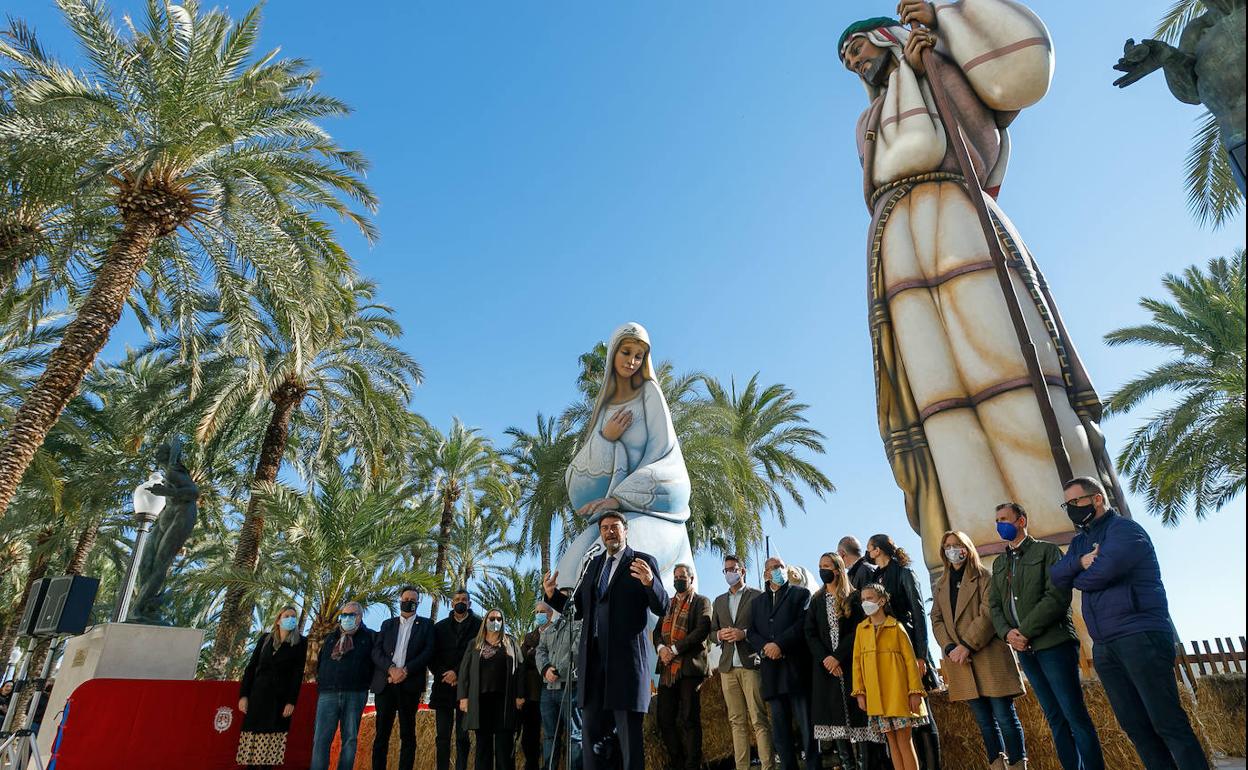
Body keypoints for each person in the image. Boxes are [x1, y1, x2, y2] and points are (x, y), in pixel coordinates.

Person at [838, 0, 1127, 568]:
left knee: (1009, 369)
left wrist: (939, 47)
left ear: (885, 36)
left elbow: (1005, 92)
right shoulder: (867, 123)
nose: (853, 61)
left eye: (856, 47)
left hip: (957, 211)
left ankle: (1065, 533)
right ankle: (980, 561)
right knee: (937, 393)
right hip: (897, 236)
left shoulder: (936, 66)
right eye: (845, 57)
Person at [1051, 477, 1208, 770]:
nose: (1070, 509)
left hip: (1139, 635)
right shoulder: (1080, 542)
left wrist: (1079, 576)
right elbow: (1057, 576)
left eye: (1075, 502)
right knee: (1135, 726)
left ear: (1096, 499)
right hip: (1105, 645)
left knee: (1166, 722)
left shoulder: (1125, 530)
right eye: (1067, 504)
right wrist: (1079, 564)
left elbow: (1103, 573)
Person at [554, 322, 693, 592]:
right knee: (569, 571)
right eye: (626, 352)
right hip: (609, 517)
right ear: (613, 354)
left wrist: (620, 497)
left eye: (638, 355)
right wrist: (605, 437)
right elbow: (579, 478)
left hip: (650, 513)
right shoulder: (605, 407)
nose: (632, 361)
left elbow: (666, 458)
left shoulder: (649, 395)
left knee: (616, 566)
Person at [542, 511, 668, 770]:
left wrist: (650, 582)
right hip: (594, 665)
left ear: (626, 530)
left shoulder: (642, 562)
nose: (609, 531)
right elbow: (577, 609)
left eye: (615, 527)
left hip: (625, 667)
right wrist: (552, 596)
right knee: (592, 740)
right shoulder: (593, 565)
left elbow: (662, 606)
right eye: (604, 528)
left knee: (628, 744)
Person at [989, 503, 1104, 770]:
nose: (999, 525)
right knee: (1054, 717)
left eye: (1004, 519)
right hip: (1024, 651)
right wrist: (1008, 634)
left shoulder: (1047, 551)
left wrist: (1026, 631)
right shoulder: (999, 563)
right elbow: (994, 605)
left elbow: (1057, 595)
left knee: (1074, 715)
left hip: (1054, 644)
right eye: (996, 520)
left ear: (1021, 520)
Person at [931, 532, 1026, 770]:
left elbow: (989, 613)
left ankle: (1017, 764)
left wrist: (967, 645)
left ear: (967, 547)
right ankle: (997, 764)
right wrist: (950, 647)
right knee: (984, 721)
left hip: (986, 654)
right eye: (948, 546)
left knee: (1004, 717)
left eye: (957, 545)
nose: (952, 550)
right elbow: (936, 619)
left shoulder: (984, 576)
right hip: (959, 660)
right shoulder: (941, 584)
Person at [866, 534, 940, 768]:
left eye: (870, 548)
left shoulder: (905, 573)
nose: (869, 553)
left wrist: (920, 654)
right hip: (886, 657)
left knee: (922, 717)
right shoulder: (875, 577)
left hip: (908, 646)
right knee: (900, 724)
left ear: (878, 549)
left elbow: (918, 614)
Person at [805, 552, 883, 770]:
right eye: (820, 566)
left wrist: (838, 656)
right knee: (836, 724)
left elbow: (859, 629)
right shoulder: (817, 601)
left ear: (837, 570)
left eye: (826, 566)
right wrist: (826, 659)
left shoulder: (854, 598)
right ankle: (847, 765)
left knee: (860, 719)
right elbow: (809, 633)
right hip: (827, 671)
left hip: (851, 666)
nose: (822, 570)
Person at [747, 555, 818, 770]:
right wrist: (766, 648)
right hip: (773, 674)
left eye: (780, 566)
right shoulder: (757, 602)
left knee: (807, 728)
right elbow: (752, 631)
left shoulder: (801, 594)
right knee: (781, 731)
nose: (777, 570)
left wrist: (779, 645)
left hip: (796, 670)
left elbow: (801, 624)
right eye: (772, 568)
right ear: (766, 574)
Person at [853, 583, 927, 770]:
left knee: (904, 741)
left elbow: (910, 661)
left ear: (882, 600)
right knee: (891, 742)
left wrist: (914, 691)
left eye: (869, 598)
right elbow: (857, 663)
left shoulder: (896, 627)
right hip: (877, 697)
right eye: (862, 599)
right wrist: (860, 692)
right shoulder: (861, 630)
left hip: (899, 694)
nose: (865, 602)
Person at [712, 554, 776, 770]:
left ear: (742, 570)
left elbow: (766, 628)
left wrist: (744, 634)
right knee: (736, 721)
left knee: (758, 719)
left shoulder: (757, 596)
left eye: (733, 568)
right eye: (726, 570)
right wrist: (720, 635)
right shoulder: (719, 601)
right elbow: (711, 633)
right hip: (727, 668)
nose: (730, 572)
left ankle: (768, 766)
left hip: (750, 664)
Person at [653, 563, 712, 770]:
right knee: (664, 719)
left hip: (689, 669)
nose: (678, 579)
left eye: (682, 577)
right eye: (676, 577)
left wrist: (674, 650)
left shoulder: (701, 602)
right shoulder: (667, 604)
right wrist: (662, 649)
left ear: (691, 579)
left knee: (689, 719)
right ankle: (678, 762)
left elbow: (701, 630)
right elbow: (657, 632)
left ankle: (693, 764)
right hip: (668, 670)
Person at [371, 586, 434, 770]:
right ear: (400, 600)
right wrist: (391, 669)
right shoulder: (387, 624)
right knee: (382, 734)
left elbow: (428, 651)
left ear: (418, 602)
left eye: (413, 599)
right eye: (406, 598)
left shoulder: (426, 625)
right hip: (386, 684)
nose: (409, 602)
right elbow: (376, 651)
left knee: (408, 735)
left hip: (409, 686)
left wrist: (406, 670)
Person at [237, 606, 308, 769]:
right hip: (258, 697)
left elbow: (297, 674)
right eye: (287, 615)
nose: (290, 619)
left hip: (279, 701)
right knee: (252, 750)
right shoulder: (265, 639)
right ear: (278, 619)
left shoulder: (301, 642)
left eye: (293, 617)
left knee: (270, 750)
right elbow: (251, 667)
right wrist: (244, 695)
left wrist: (291, 701)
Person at [458, 609, 526, 770]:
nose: (495, 621)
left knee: (504, 746)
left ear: (503, 622)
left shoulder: (511, 643)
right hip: (481, 702)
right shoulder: (474, 644)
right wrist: (463, 697)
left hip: (504, 702)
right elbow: (464, 672)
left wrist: (520, 695)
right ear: (485, 620)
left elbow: (521, 670)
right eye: (492, 618)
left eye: (499, 619)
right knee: (483, 746)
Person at [311, 602, 375, 770]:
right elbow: (321, 663)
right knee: (321, 739)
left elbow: (374, 663)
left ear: (360, 617)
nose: (346, 618)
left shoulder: (369, 637)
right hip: (328, 693)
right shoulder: (331, 637)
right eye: (344, 614)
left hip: (355, 693)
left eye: (351, 615)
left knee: (350, 739)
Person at [431, 589, 483, 770]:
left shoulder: (479, 626)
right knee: (442, 736)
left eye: (464, 599)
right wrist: (445, 674)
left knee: (463, 737)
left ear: (469, 603)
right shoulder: (439, 627)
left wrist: (457, 673)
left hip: (466, 689)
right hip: (443, 687)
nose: (460, 602)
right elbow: (432, 655)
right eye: (457, 599)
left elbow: (477, 655)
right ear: (452, 603)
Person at [537, 591, 583, 770]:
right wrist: (546, 669)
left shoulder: (579, 625)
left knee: (574, 735)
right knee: (549, 736)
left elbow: (576, 651)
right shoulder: (550, 628)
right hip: (548, 690)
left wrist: (557, 670)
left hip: (570, 688)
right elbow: (541, 650)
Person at [519, 604, 546, 770]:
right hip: (532, 694)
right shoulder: (529, 637)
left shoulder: (557, 633)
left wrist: (533, 653)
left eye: (542, 612)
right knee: (529, 736)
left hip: (551, 690)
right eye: (536, 612)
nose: (539, 615)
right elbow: (523, 662)